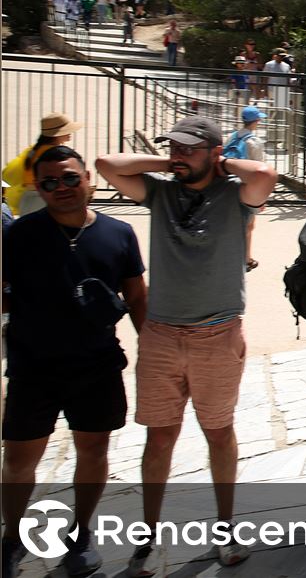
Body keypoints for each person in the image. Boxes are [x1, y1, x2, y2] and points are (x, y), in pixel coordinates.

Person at [95, 117, 278, 574]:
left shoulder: (235, 197)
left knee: (219, 432)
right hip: (161, 333)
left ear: (215, 154)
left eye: (188, 149)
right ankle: (148, 536)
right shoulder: (161, 193)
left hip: (217, 334)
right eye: (173, 147)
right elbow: (105, 164)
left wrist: (217, 161)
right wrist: (174, 161)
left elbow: (266, 177)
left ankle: (225, 527)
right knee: (159, 438)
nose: (178, 155)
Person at [1, 146, 147, 578]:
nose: (61, 188)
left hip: (96, 365)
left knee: (93, 450)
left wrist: (152, 351)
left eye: (69, 178)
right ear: (38, 189)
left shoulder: (120, 233)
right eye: (49, 182)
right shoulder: (19, 234)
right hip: (33, 366)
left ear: (88, 178)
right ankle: (10, 539)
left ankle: (81, 534)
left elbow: (137, 296)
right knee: (19, 459)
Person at [3, 112, 83, 216]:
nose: (70, 133)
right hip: (44, 199)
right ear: (57, 133)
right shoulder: (55, 153)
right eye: (67, 130)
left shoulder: (34, 149)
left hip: (28, 199)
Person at [226, 106, 268, 272]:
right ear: (256, 121)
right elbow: (261, 170)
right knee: (248, 225)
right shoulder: (255, 142)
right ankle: (246, 258)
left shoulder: (232, 137)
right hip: (247, 188)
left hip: (229, 184)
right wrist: (262, 198)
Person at [262, 47, 292, 118]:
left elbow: (288, 79)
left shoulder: (286, 66)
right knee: (271, 108)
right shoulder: (269, 65)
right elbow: (265, 78)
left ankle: (278, 125)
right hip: (271, 89)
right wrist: (265, 90)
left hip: (282, 90)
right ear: (276, 55)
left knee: (281, 109)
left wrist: (289, 91)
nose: (281, 57)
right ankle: (270, 123)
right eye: (280, 56)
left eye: (283, 56)